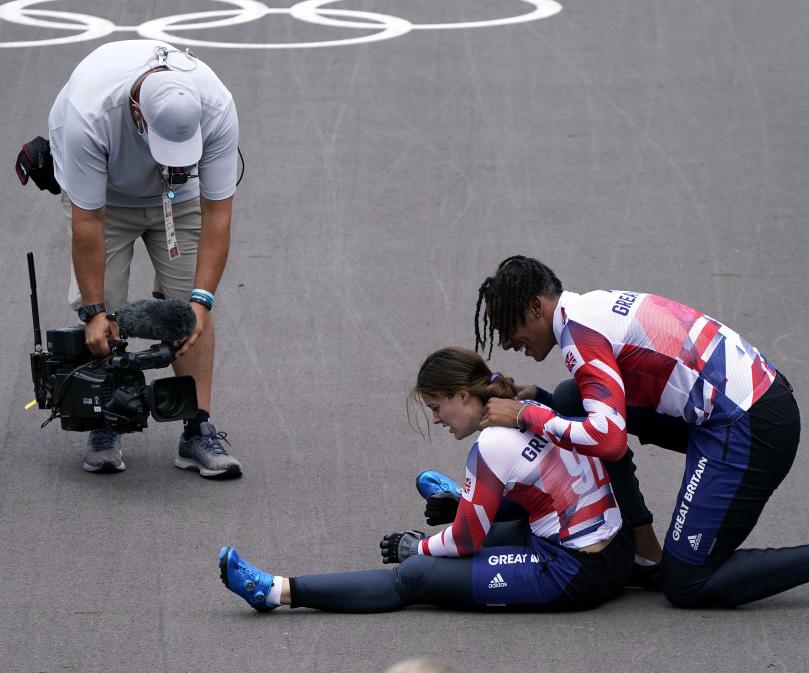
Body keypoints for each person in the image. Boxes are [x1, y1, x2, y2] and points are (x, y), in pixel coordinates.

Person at [469, 255, 809, 607]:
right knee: (567, 400)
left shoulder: (581, 339)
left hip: (749, 428)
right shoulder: (588, 307)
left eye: (508, 327)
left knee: (686, 583)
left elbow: (608, 439)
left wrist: (525, 416)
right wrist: (541, 404)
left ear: (536, 306)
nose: (507, 342)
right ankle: (643, 542)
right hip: (749, 401)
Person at [219, 347, 634, 612]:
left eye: (437, 407)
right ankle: (464, 498)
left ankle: (275, 591)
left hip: (572, 572)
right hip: (616, 551)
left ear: (463, 395)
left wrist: (415, 545)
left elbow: (466, 542)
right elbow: (538, 490)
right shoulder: (526, 404)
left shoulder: (492, 444)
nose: (436, 419)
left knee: (417, 574)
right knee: (494, 520)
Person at [48, 39, 241, 477]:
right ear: (137, 110)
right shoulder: (88, 115)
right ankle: (103, 422)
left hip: (182, 194)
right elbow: (89, 222)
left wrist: (201, 302)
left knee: (188, 312)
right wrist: (96, 310)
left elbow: (218, 213)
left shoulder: (216, 105)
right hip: (104, 198)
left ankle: (197, 428)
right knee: (102, 311)